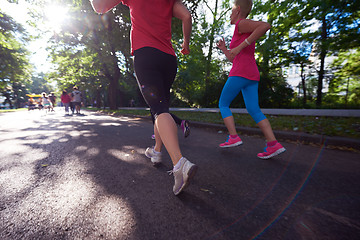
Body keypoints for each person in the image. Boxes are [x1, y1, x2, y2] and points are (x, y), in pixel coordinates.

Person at [92, 0, 197, 195]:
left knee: (159, 110)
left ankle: (179, 163)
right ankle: (156, 152)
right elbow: (187, 16)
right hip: (168, 59)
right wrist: (185, 43)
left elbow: (98, 7)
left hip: (145, 55)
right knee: (161, 108)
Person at [216, 0, 285, 159]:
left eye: (231, 10)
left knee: (223, 104)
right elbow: (234, 58)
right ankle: (273, 144)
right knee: (254, 109)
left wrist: (239, 46)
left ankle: (233, 136)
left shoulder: (241, 23)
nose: (230, 14)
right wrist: (225, 49)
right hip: (251, 73)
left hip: (240, 73)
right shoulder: (241, 28)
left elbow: (266, 25)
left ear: (238, 9)